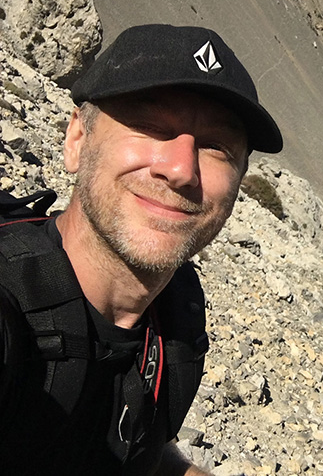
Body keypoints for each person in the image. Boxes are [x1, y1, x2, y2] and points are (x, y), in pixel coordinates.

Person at [0, 24, 283, 475]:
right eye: (149, 126)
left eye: (216, 146)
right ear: (77, 140)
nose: (181, 170)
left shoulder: (174, 320)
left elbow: (131, 452)